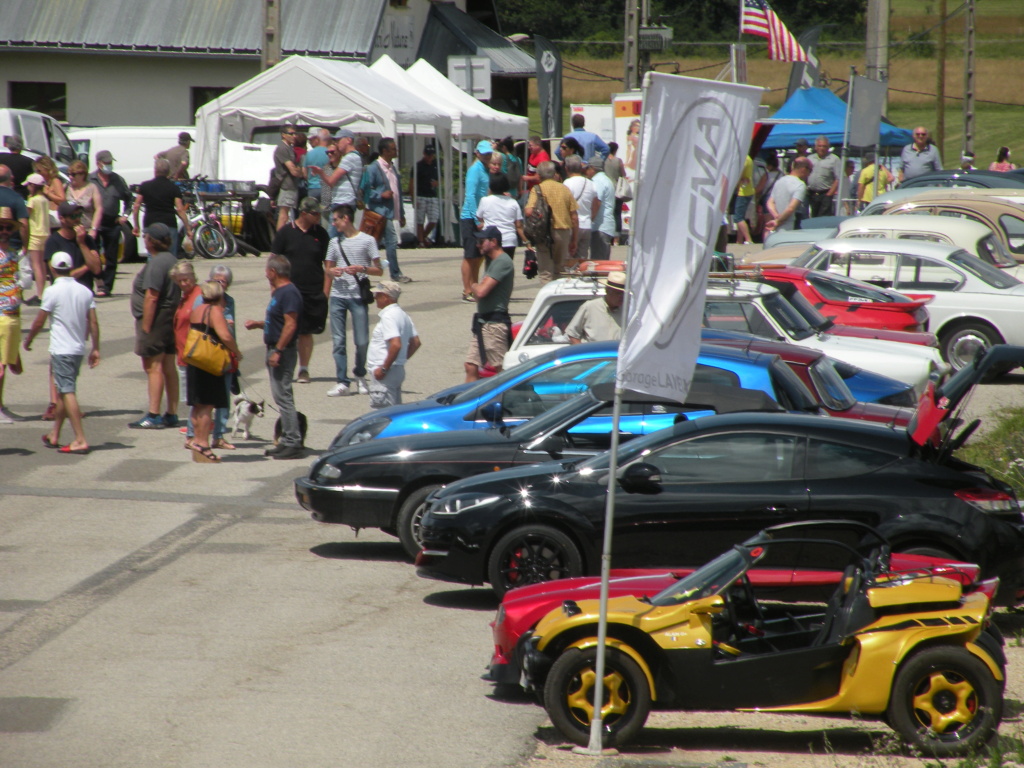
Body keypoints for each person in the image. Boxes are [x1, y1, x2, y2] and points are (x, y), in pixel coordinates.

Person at [23, 251, 100, 453]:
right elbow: (93, 321)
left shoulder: (52, 291)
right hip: (77, 349)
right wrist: (96, 348)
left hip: (62, 349)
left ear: (52, 268)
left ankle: (80, 439)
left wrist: (29, 339)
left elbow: (40, 320)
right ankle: (54, 434)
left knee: (67, 391)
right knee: (62, 392)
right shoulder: (84, 291)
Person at [244, 254, 305, 459]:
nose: (265, 273)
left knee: (284, 397)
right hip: (276, 347)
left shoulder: (289, 293)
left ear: (273, 272)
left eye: (267, 270)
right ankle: (287, 438)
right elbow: (279, 321)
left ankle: (293, 442)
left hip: (282, 351)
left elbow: (291, 324)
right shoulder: (280, 292)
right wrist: (259, 324)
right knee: (280, 397)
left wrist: (278, 350)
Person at [324, 203, 383, 398]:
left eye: (335, 219)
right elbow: (327, 269)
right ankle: (342, 381)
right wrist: (332, 272)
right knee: (339, 341)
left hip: (358, 296)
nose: (333, 223)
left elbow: (380, 269)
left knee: (362, 341)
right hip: (338, 296)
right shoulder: (334, 242)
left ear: (345, 219)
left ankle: (360, 374)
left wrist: (361, 268)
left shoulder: (367, 241)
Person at [270, 196, 329, 385]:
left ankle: (304, 369)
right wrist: (274, 288)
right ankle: (284, 365)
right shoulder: (285, 233)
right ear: (303, 213)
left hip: (313, 289)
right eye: (315, 213)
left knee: (306, 331)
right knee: (287, 329)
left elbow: (328, 265)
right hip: (288, 290)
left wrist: (326, 292)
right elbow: (272, 261)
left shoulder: (321, 234)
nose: (319, 216)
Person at [127, 223, 181, 430]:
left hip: (156, 319)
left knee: (153, 366)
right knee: (168, 365)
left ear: (151, 240)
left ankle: (154, 414)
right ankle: (172, 413)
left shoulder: (157, 263)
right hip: (168, 318)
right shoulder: (171, 259)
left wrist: (146, 327)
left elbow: (152, 296)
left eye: (146, 236)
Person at [184, 280, 241, 464]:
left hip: (196, 360)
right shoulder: (214, 311)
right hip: (209, 363)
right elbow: (225, 336)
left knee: (198, 404)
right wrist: (236, 352)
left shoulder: (197, 310)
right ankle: (202, 443)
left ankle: (196, 441)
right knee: (208, 405)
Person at [464, 225, 514, 382]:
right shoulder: (491, 262)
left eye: (481, 241)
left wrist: (472, 286)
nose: (478, 245)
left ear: (493, 242)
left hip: (494, 325)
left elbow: (480, 292)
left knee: (502, 371)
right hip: (483, 323)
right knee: (471, 365)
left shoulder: (502, 262)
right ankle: (469, 404)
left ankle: (513, 401)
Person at [366, 280, 420, 409]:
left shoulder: (388, 316)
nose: (375, 298)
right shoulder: (403, 315)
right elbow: (416, 342)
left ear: (386, 297)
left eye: (378, 295)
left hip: (385, 372)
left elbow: (396, 344)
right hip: (396, 370)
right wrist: (400, 360)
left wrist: (384, 368)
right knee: (395, 411)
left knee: (382, 416)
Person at [363, 137, 409, 283]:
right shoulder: (373, 168)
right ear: (385, 151)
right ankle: (395, 273)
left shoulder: (392, 167)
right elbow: (365, 191)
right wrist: (380, 194)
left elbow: (398, 192)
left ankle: (361, 270)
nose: (396, 151)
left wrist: (401, 213)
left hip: (390, 213)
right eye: (393, 149)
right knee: (391, 241)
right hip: (379, 213)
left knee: (374, 244)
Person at [525, 161, 579, 283]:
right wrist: (574, 239)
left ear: (539, 175)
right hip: (563, 232)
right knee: (560, 270)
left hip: (544, 233)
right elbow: (574, 217)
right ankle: (559, 295)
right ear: (554, 173)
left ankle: (548, 297)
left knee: (545, 272)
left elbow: (528, 211)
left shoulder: (537, 189)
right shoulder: (565, 189)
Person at [89, 149, 133, 297]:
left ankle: (106, 287)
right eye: (106, 163)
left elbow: (129, 198)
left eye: (110, 163)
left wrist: (125, 215)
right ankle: (95, 283)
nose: (109, 165)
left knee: (111, 257)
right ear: (98, 164)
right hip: (94, 222)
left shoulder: (118, 180)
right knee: (92, 254)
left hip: (112, 222)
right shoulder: (91, 180)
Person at [132, 158, 192, 257]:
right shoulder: (173, 188)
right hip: (169, 224)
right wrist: (188, 228)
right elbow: (180, 209)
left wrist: (136, 226)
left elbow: (136, 206)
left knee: (153, 255)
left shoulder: (145, 186)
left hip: (151, 224)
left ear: (155, 170)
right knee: (170, 256)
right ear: (168, 172)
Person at [170, 260, 200, 446]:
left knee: (195, 398)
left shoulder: (198, 296)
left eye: (186, 280)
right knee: (190, 397)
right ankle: (194, 430)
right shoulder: (185, 296)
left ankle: (193, 433)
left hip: (194, 355)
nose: (183, 284)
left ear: (193, 277)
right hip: (183, 353)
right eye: (179, 281)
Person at [312, 128, 362, 237]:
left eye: (339, 140)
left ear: (348, 140)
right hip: (347, 201)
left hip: (342, 203)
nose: (337, 143)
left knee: (332, 239)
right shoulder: (355, 156)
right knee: (342, 238)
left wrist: (320, 172)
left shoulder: (349, 158)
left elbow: (331, 181)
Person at [459, 140, 493, 301]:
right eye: (484, 153)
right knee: (470, 255)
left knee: (478, 255)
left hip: (481, 215)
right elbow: (470, 195)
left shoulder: (486, 169)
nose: (487, 156)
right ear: (477, 153)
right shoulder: (475, 169)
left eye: (489, 153)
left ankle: (474, 286)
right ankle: (467, 290)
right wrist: (476, 218)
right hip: (470, 217)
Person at [45, 202, 101, 292]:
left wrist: (82, 244)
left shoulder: (87, 240)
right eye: (73, 216)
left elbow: (97, 270)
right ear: (62, 218)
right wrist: (86, 267)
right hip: (62, 294)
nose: (78, 219)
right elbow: (58, 277)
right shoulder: (53, 242)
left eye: (79, 215)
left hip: (85, 292)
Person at [0, 206, 23, 423]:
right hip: (1, 316)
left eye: (8, 228)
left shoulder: (13, 254)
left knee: (5, 365)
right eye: (1, 227)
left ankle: (1, 404)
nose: (5, 231)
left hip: (12, 314)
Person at [565, 270, 625, 344]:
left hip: (617, 354)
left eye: (623, 294)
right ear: (608, 291)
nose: (621, 297)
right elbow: (572, 334)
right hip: (593, 354)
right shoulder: (589, 307)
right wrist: (584, 353)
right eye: (618, 293)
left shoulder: (628, 311)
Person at [475, 173, 524, 259]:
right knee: (506, 267)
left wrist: (485, 221)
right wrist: (526, 241)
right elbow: (518, 225)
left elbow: (479, 216)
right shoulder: (513, 202)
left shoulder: (485, 200)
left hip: (491, 240)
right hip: (509, 240)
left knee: (491, 268)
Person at [562, 155, 597, 268]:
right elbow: (596, 205)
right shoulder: (590, 183)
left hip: (571, 225)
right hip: (586, 225)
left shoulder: (567, 183)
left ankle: (568, 282)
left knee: (568, 260)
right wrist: (590, 218)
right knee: (582, 262)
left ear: (566, 168)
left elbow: (565, 206)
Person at [765, 156, 811, 233]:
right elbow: (791, 208)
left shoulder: (780, 181)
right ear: (804, 169)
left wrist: (776, 216)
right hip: (790, 226)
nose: (809, 174)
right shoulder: (800, 185)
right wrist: (778, 221)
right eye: (810, 170)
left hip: (776, 226)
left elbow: (770, 203)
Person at [64, 160, 104, 247]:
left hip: (87, 230)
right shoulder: (66, 187)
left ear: (82, 175)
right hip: (70, 231)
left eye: (73, 174)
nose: (70, 177)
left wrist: (94, 229)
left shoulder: (92, 188)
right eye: (69, 174)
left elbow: (99, 209)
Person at [24, 173, 49, 304]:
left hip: (35, 234)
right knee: (42, 265)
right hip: (45, 233)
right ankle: (42, 292)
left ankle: (39, 295)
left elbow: (26, 214)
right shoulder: (44, 199)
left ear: (33, 186)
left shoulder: (33, 200)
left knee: (36, 265)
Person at [585, 155, 616, 260]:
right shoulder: (606, 179)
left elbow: (596, 202)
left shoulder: (597, 181)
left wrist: (590, 220)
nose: (586, 172)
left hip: (600, 227)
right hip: (606, 226)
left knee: (598, 263)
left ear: (592, 168)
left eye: (587, 168)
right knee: (603, 261)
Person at [273, 126, 301, 230]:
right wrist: (300, 171)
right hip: (286, 185)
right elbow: (293, 171)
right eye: (291, 133)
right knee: (284, 215)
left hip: (291, 186)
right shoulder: (282, 148)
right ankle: (279, 242)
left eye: (295, 133)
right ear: (283, 135)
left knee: (288, 215)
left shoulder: (289, 148)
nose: (294, 136)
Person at [411, 145, 439, 247]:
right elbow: (412, 183)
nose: (430, 157)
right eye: (428, 155)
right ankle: (421, 241)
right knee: (420, 220)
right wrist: (413, 198)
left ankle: (422, 236)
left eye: (431, 155)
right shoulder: (418, 166)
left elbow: (439, 180)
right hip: (421, 195)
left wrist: (437, 183)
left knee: (433, 220)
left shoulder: (436, 165)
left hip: (432, 195)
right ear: (424, 154)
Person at [806, 136, 840, 218]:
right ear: (816, 147)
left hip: (825, 194)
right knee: (812, 217)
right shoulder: (809, 158)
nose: (822, 148)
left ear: (828, 147)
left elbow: (838, 179)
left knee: (823, 218)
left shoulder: (834, 159)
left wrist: (829, 194)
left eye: (824, 146)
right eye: (820, 146)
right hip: (811, 194)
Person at [301, 129, 329, 215]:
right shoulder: (330, 153)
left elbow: (304, 173)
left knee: (312, 214)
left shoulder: (309, 154)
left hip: (312, 188)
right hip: (326, 188)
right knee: (326, 215)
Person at [0, 166, 28, 246]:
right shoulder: (17, 198)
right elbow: (24, 225)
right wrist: (25, 246)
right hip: (12, 244)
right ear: (11, 178)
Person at [604, 142, 626, 243]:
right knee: (617, 213)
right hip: (617, 189)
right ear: (615, 150)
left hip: (607, 189)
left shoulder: (604, 161)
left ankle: (608, 236)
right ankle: (616, 238)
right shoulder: (618, 161)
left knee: (608, 212)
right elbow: (623, 174)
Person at [733, 153, 755, 245]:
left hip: (743, 191)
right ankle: (739, 240)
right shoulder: (748, 158)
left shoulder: (744, 159)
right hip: (748, 189)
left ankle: (748, 239)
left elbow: (739, 174)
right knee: (741, 215)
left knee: (738, 217)